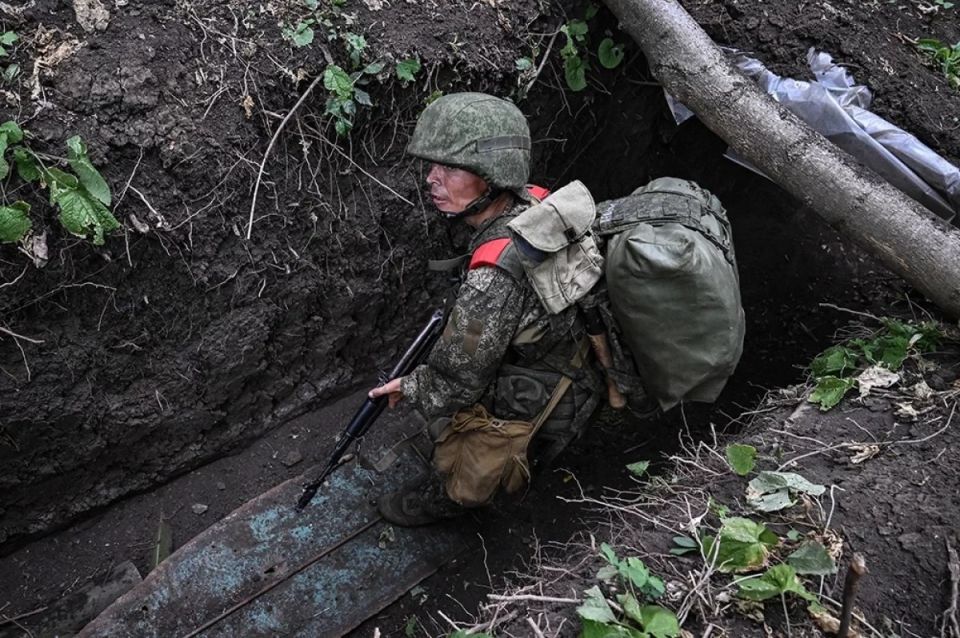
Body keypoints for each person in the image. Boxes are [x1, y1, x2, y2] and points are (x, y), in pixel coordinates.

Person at [368, 93, 601, 526]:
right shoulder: (536, 205)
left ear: (493, 178)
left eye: (451, 168)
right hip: (576, 361)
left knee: (452, 429)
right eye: (433, 166)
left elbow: (457, 379)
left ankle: (453, 498)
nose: (432, 179)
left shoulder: (493, 277)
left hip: (546, 394)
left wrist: (409, 387)